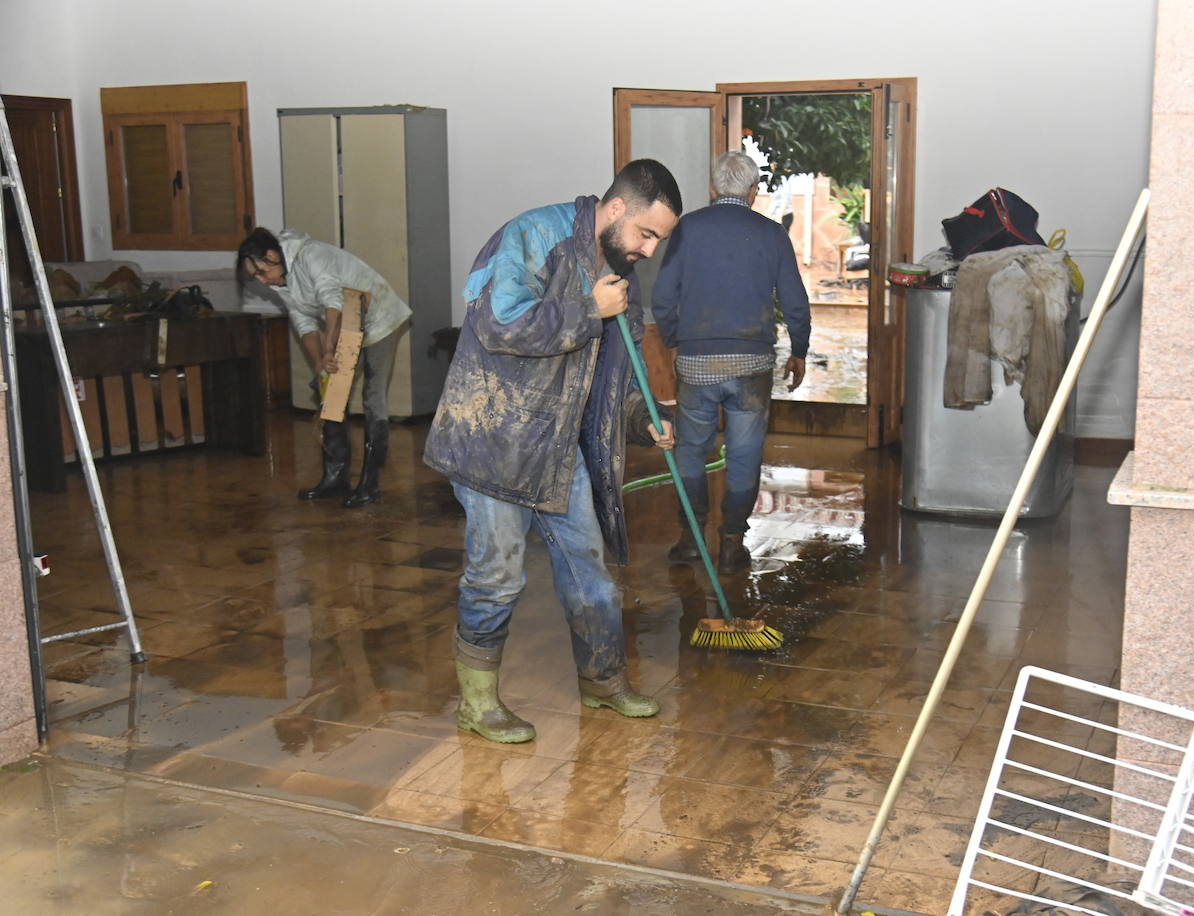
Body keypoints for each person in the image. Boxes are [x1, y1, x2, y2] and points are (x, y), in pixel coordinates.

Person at [423, 159, 681, 744]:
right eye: (646, 233)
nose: (648, 248)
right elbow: (501, 326)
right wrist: (590, 309)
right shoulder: (533, 235)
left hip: (556, 450)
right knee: (497, 576)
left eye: (657, 240)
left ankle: (604, 683)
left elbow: (621, 366)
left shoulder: (618, 267)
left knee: (590, 574)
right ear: (616, 209)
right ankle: (477, 702)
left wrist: (646, 420)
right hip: (495, 440)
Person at [652, 151, 811, 576]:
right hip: (752, 364)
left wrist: (672, 341)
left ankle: (690, 539)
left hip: (697, 362)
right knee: (744, 454)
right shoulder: (772, 234)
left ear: (712, 188)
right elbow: (794, 298)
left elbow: (664, 297)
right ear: (754, 192)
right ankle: (731, 543)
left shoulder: (687, 230)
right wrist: (800, 349)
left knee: (690, 450)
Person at [237, 228, 411, 508]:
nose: (261, 280)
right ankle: (335, 478)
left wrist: (329, 347)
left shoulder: (311, 255)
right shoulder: (281, 280)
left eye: (260, 272)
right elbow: (303, 322)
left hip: (378, 315)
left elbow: (333, 302)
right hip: (346, 320)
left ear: (271, 256)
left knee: (372, 397)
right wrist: (321, 363)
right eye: (255, 277)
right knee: (331, 396)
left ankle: (370, 483)